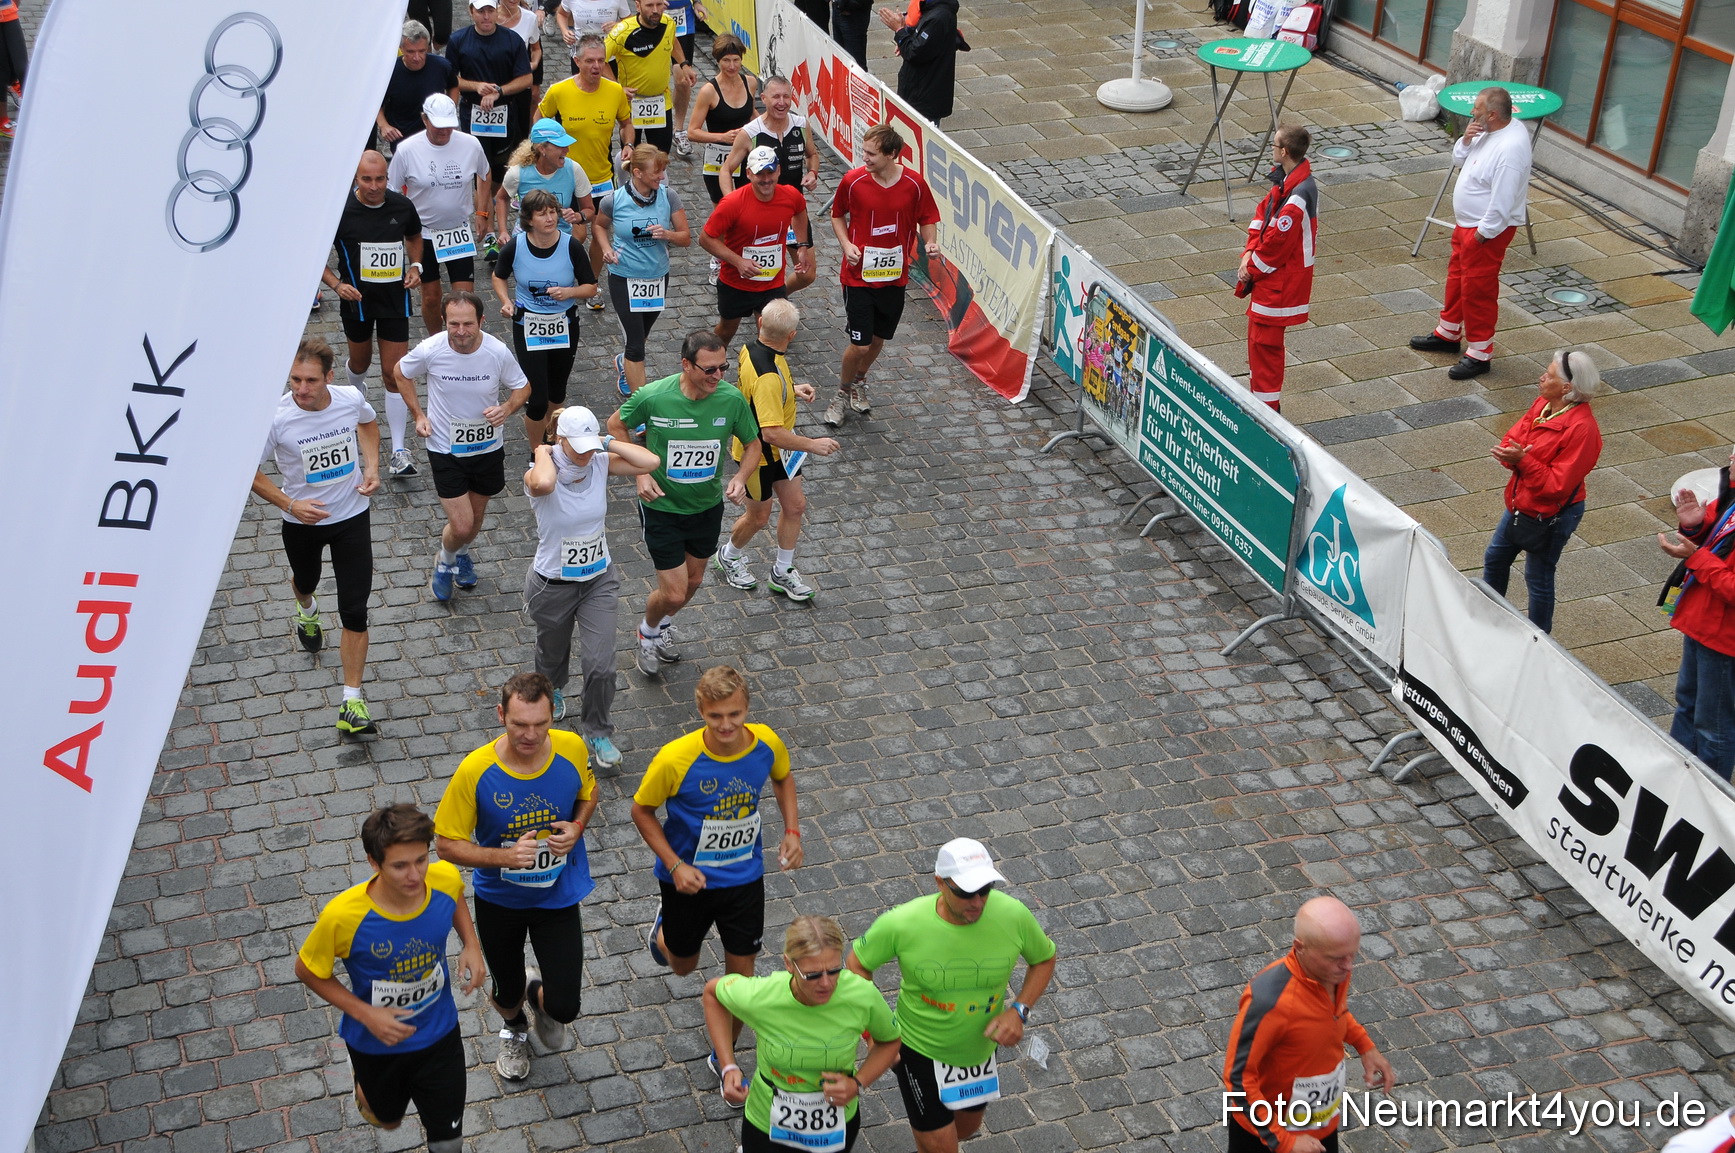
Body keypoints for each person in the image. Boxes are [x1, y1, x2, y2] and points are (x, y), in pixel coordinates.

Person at [631, 666, 803, 1061]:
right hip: (687, 881)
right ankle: (665, 935)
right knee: (682, 966)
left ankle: (723, 1058)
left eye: (735, 715)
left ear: (747, 708)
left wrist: (792, 831)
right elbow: (641, 811)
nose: (726, 725)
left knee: (741, 982)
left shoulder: (766, 744)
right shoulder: (675, 759)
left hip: (744, 877)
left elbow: (783, 777)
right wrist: (675, 866)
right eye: (715, 716)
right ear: (701, 711)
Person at [434, 673, 599, 1081]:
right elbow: (446, 844)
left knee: (565, 1007)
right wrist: (506, 856)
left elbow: (589, 792)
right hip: (500, 902)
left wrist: (577, 828)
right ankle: (515, 1028)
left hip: (556, 898)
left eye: (541, 724)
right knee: (505, 991)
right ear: (500, 715)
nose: (531, 735)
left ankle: (536, 994)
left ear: (552, 717)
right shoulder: (475, 770)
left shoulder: (572, 748)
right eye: (519, 724)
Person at [846, 838, 1055, 1153]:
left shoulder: (1013, 916)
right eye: (965, 893)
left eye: (985, 890)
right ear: (940, 883)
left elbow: (1044, 959)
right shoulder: (902, 923)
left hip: (979, 1051)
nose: (978, 902)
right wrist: (874, 1032)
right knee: (942, 1147)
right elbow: (856, 966)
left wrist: (1018, 1011)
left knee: (966, 1130)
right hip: (918, 1049)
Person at [295, 805, 483, 1153]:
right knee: (388, 1119)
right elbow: (307, 970)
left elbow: (455, 894)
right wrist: (366, 1014)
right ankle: (364, 1086)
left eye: (420, 860)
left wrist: (471, 944)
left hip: (439, 1035)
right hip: (376, 1044)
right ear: (373, 862)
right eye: (400, 866)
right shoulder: (343, 917)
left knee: (449, 1142)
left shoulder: (442, 879)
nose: (415, 875)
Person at [252, 338, 384, 738]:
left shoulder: (347, 398)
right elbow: (250, 472)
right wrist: (291, 505)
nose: (301, 389)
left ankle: (351, 701)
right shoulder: (275, 418)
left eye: (310, 380)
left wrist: (372, 466)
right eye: (294, 380)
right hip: (301, 524)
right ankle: (306, 609)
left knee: (354, 610)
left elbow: (368, 423)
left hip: (351, 518)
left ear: (329, 376)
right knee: (305, 581)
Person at [609, 332, 763, 674]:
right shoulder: (654, 396)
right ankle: (647, 634)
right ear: (686, 365)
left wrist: (739, 478)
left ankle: (661, 627)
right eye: (708, 370)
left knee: (693, 583)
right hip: (662, 507)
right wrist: (640, 473)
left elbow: (753, 445)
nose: (717, 376)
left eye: (722, 367)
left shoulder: (730, 399)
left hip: (707, 506)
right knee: (675, 593)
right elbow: (616, 426)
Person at [524, 406, 659, 765]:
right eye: (576, 446)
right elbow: (544, 484)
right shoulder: (540, 469)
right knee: (551, 654)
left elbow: (650, 463)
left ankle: (598, 731)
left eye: (589, 446)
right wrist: (543, 450)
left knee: (601, 664)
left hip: (598, 580)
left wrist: (606, 440)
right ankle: (552, 688)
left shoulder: (599, 462)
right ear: (560, 439)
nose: (585, 455)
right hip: (552, 583)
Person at [705, 915, 902, 1153]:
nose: (826, 984)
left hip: (835, 1126)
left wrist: (858, 1084)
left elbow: (890, 1041)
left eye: (834, 970)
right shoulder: (763, 996)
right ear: (789, 964)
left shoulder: (861, 995)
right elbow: (713, 995)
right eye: (813, 975)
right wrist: (728, 1068)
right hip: (766, 1123)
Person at [390, 291, 532, 601]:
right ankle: (445, 560)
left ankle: (461, 551)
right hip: (445, 448)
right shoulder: (431, 349)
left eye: (468, 324)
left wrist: (506, 409)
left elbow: (523, 386)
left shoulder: (496, 352)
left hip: (487, 448)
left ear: (482, 321)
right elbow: (400, 373)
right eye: (453, 324)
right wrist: (419, 414)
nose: (461, 332)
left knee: (475, 519)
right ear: (444, 322)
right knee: (463, 522)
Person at [1223, 896, 1395, 1153]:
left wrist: (1365, 1046)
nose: (1349, 966)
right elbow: (1238, 1081)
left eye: (1353, 954)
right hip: (1268, 1137)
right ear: (1300, 947)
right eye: (1337, 957)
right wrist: (1285, 1141)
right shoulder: (1269, 1001)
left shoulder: (1331, 972)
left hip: (1318, 1124)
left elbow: (1333, 1015)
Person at [714, 300, 839, 601]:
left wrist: (791, 390)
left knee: (795, 506)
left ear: (760, 324)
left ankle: (782, 571)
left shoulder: (751, 349)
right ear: (792, 335)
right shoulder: (768, 375)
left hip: (782, 454)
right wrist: (813, 444)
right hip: (757, 456)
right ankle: (728, 556)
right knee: (758, 518)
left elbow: (757, 391)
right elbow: (771, 433)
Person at [1409, 86, 1531, 380]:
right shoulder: (1489, 130)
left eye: (1476, 108)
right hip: (1469, 225)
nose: (1471, 111)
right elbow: (1460, 160)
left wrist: (1482, 234)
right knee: (1458, 280)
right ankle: (1448, 333)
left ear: (1492, 113)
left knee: (1478, 291)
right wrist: (1465, 140)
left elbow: (1503, 201)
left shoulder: (1510, 148)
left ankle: (1479, 353)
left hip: (1484, 232)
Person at [823, 122, 940, 428]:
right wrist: (847, 244)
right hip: (858, 276)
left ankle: (860, 381)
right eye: (864, 151)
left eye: (872, 154)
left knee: (877, 340)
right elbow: (837, 215)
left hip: (894, 277)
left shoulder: (914, 185)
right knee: (859, 344)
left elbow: (928, 217)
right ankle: (841, 392)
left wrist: (931, 241)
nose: (865, 158)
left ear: (892, 154)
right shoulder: (852, 181)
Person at [1484, 349, 1603, 635]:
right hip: (1521, 502)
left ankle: (1539, 638)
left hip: (1552, 515)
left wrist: (1522, 460)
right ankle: (1488, 616)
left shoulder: (1583, 431)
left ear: (1567, 387)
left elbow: (1555, 487)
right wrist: (1513, 456)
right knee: (1495, 558)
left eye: (1549, 375)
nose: (1541, 378)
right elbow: (1513, 438)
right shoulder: (1543, 404)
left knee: (1537, 577)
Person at [322, 151, 424, 481]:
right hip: (358, 302)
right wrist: (337, 285)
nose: (374, 186)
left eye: (380, 179)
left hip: (395, 299)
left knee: (395, 373)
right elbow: (314, 256)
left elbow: (414, 236)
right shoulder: (339, 211)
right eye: (367, 179)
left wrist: (415, 266)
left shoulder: (401, 206)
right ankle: (356, 396)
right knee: (360, 363)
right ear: (355, 178)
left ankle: (398, 450)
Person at [490, 189, 600, 450]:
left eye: (552, 212)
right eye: (542, 214)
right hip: (528, 326)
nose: (550, 218)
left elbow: (591, 287)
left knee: (557, 392)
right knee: (537, 397)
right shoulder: (516, 246)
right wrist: (506, 301)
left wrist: (569, 292)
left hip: (564, 325)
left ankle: (552, 440)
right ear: (529, 219)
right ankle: (536, 451)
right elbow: (498, 275)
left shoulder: (571, 246)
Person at [1659, 444, 1735, 781]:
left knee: (1714, 723)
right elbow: (1716, 531)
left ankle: (1709, 795)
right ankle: (1677, 775)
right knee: (1688, 703)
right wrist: (1695, 527)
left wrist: (1697, 557)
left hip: (1723, 637)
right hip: (1704, 623)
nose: (1730, 457)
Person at [389, 94, 493, 338]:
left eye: (449, 126)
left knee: (465, 298)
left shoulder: (470, 144)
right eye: (438, 126)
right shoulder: (406, 150)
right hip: (424, 233)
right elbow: (393, 190)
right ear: (425, 120)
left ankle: (463, 339)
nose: (444, 132)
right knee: (432, 297)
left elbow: (485, 174)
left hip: (457, 230)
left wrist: (482, 212)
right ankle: (437, 342)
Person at [595, 143, 692, 397]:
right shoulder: (613, 200)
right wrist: (606, 248)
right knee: (636, 345)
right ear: (637, 173)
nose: (661, 176)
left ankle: (624, 362)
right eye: (656, 172)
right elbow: (599, 226)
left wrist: (668, 234)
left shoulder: (668, 196)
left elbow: (686, 237)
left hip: (657, 277)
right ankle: (641, 407)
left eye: (662, 171)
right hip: (624, 277)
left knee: (641, 335)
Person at [1235, 124, 1317, 414]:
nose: (1271, 150)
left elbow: (1276, 246)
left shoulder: (1296, 195)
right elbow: (1262, 215)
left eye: (1274, 146)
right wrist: (1248, 253)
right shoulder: (1288, 183)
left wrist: (1250, 268)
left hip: (1278, 283)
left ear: (1284, 152)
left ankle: (1267, 411)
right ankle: (1262, 402)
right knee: (1258, 345)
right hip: (1273, 280)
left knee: (1265, 348)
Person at [701, 147, 815, 346]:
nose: (766, 179)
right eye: (759, 173)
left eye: (770, 172)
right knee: (727, 330)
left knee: (771, 335)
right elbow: (705, 239)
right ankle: (711, 365)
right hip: (736, 283)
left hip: (772, 282)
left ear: (779, 170)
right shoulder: (732, 203)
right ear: (748, 174)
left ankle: (765, 373)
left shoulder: (790, 195)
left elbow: (800, 211)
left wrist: (803, 245)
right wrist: (738, 261)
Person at [447, 0, 535, 244]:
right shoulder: (458, 41)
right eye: (480, 11)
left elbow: (526, 78)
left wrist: (499, 91)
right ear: (471, 12)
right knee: (479, 170)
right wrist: (476, 86)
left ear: (497, 11)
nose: (486, 16)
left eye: (490, 10)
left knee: (499, 172)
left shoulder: (512, 40)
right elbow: (451, 79)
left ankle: (495, 216)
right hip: (471, 114)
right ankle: (485, 225)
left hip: (506, 116)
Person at [604, 0, 696, 157]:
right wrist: (617, 88)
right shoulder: (622, 32)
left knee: (661, 154)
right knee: (633, 155)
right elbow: (600, 60)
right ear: (638, 6)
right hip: (632, 104)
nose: (655, 10)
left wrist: (684, 64)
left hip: (660, 101)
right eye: (649, 5)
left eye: (659, 4)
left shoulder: (668, 23)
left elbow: (671, 40)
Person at [494, 119, 596, 244]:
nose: (567, 150)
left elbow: (589, 209)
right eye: (560, 146)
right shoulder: (517, 173)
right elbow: (502, 198)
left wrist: (578, 216)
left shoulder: (574, 169)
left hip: (561, 241)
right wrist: (503, 231)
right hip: (526, 240)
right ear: (542, 149)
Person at [686, 35, 759, 207]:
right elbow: (692, 132)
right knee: (724, 209)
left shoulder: (750, 83)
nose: (732, 66)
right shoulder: (708, 92)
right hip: (717, 157)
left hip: (745, 154)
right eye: (726, 60)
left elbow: (750, 113)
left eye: (736, 60)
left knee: (748, 205)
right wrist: (722, 137)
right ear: (718, 61)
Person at [718, 76, 820, 198]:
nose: (782, 103)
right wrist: (730, 201)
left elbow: (812, 154)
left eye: (786, 96)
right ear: (763, 98)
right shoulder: (750, 133)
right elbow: (726, 170)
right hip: (761, 209)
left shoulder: (801, 125)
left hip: (794, 207)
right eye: (776, 97)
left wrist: (812, 173)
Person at [877, 0, 965, 125]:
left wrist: (899, 31)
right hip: (917, 90)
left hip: (924, 96)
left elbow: (915, 53)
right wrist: (906, 38)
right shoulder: (931, 8)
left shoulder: (938, 17)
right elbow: (921, 42)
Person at [375, 21, 460, 152]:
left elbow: (453, 85)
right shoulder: (389, 71)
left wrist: (450, 108)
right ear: (401, 49)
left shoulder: (441, 66)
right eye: (411, 52)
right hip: (403, 137)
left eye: (422, 51)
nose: (417, 57)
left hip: (435, 134)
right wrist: (383, 125)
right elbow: (375, 102)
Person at [666, 0, 704, 156]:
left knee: (683, 80)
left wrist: (697, 2)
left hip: (682, 18)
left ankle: (679, 130)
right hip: (654, 16)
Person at [497, 0, 545, 109]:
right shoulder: (489, 17)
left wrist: (534, 63)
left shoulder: (530, 18)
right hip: (496, 78)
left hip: (520, 80)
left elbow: (536, 49)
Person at [555, 0, 632, 66]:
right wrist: (565, 31)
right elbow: (561, 14)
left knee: (609, 83)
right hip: (581, 55)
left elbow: (630, 22)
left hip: (609, 56)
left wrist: (618, 26)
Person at [831, 0, 872, 69]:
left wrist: (849, 5)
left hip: (853, 15)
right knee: (839, 59)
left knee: (855, 63)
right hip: (838, 9)